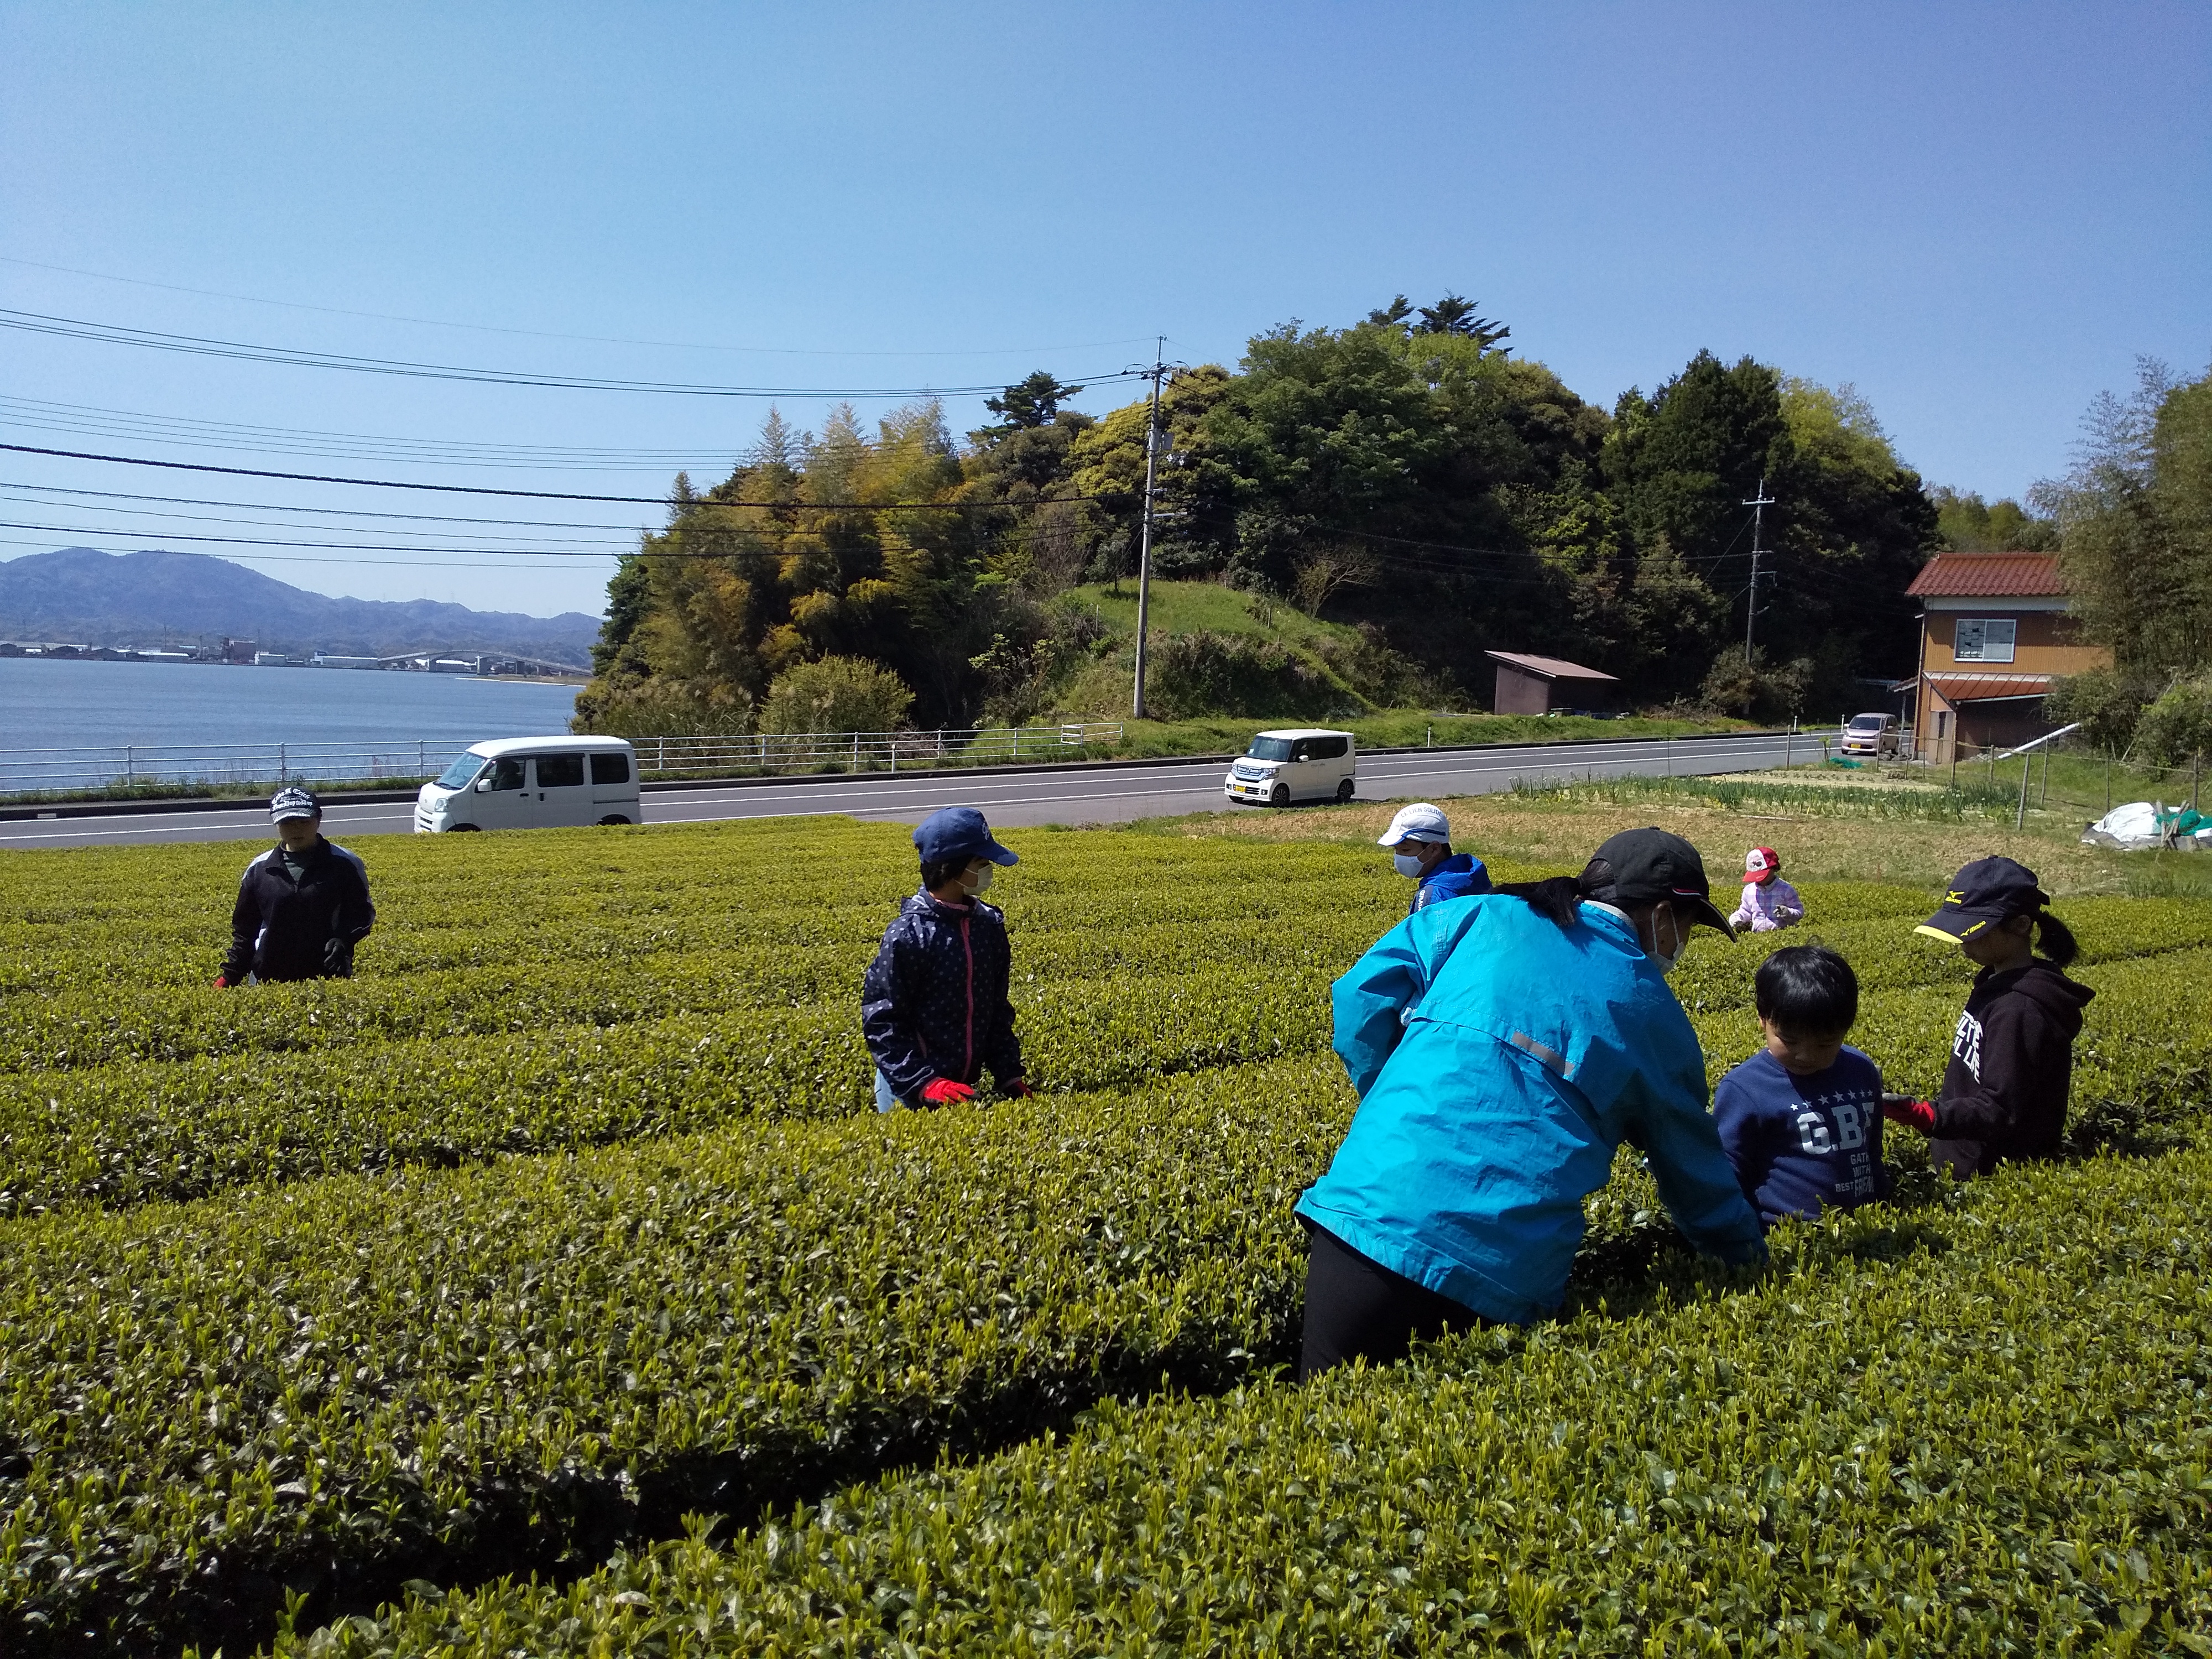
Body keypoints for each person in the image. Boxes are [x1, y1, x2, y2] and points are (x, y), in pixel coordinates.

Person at [1295, 826, 1766, 1378]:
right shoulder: (1654, 1014)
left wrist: (1386, 1097)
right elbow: (1695, 1177)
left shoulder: (1481, 916)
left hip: (1363, 1212)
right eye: (1688, 926)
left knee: (1324, 1426)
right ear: (1663, 914)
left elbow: (1359, 996)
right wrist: (1750, 1264)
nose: (1682, 941)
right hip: (1498, 1264)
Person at [1881, 857, 2092, 1177]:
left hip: (1988, 1168)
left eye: (1975, 931)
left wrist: (1926, 1115)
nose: (1963, 940)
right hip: (1963, 1156)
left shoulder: (2020, 1010)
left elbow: (2000, 1107)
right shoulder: (1992, 979)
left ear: (2021, 925)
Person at [862, 806, 1031, 1112]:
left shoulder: (989, 927)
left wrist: (1008, 1073)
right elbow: (883, 1020)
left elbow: (995, 1011)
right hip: (907, 1089)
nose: (988, 870)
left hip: (960, 1090)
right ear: (953, 869)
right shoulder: (908, 935)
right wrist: (923, 1083)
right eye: (981, 863)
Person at [1714, 945, 1888, 1228]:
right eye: (1790, 1041)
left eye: (1825, 1043)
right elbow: (1728, 1169)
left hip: (1863, 1227)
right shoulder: (1745, 1088)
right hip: (1787, 1235)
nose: (1806, 1056)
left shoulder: (1861, 1070)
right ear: (1763, 1019)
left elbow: (1872, 1151)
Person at [216, 786, 375, 988]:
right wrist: (230, 976)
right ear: (276, 823)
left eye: (304, 822)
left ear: (319, 820)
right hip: (267, 978)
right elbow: (245, 931)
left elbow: (362, 914)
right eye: (287, 823)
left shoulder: (345, 863)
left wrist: (343, 940)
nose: (296, 830)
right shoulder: (260, 869)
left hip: (327, 977)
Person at [1376, 802, 1491, 913]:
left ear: (1434, 849)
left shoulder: (1433, 896)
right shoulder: (1468, 871)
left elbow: (1424, 932)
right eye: (1396, 850)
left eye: (1405, 850)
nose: (1399, 856)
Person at [1728, 846, 1804, 933]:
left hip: (1782, 935)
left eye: (1763, 875)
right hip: (1758, 937)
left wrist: (1788, 912)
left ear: (1774, 868)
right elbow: (1746, 911)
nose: (1760, 879)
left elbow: (1799, 911)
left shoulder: (1786, 890)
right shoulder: (1749, 891)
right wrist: (1737, 917)